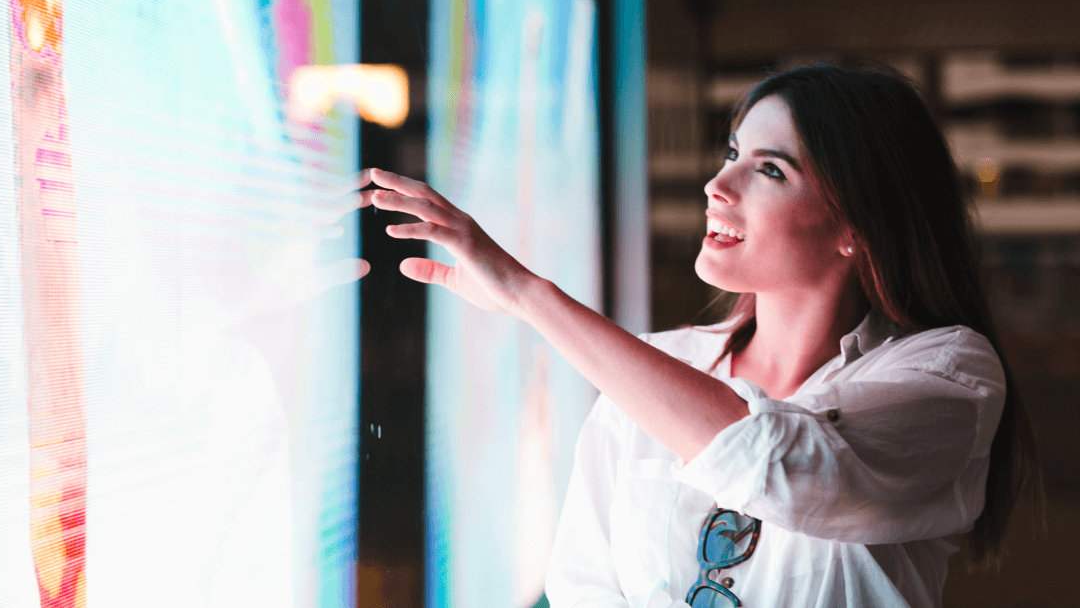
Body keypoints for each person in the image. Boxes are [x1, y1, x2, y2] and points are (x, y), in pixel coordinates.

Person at [364, 61, 1044, 608]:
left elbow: (789, 469)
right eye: (731, 154)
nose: (718, 185)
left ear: (856, 228)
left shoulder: (950, 375)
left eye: (770, 170)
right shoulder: (658, 367)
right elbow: (582, 589)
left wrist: (529, 294)